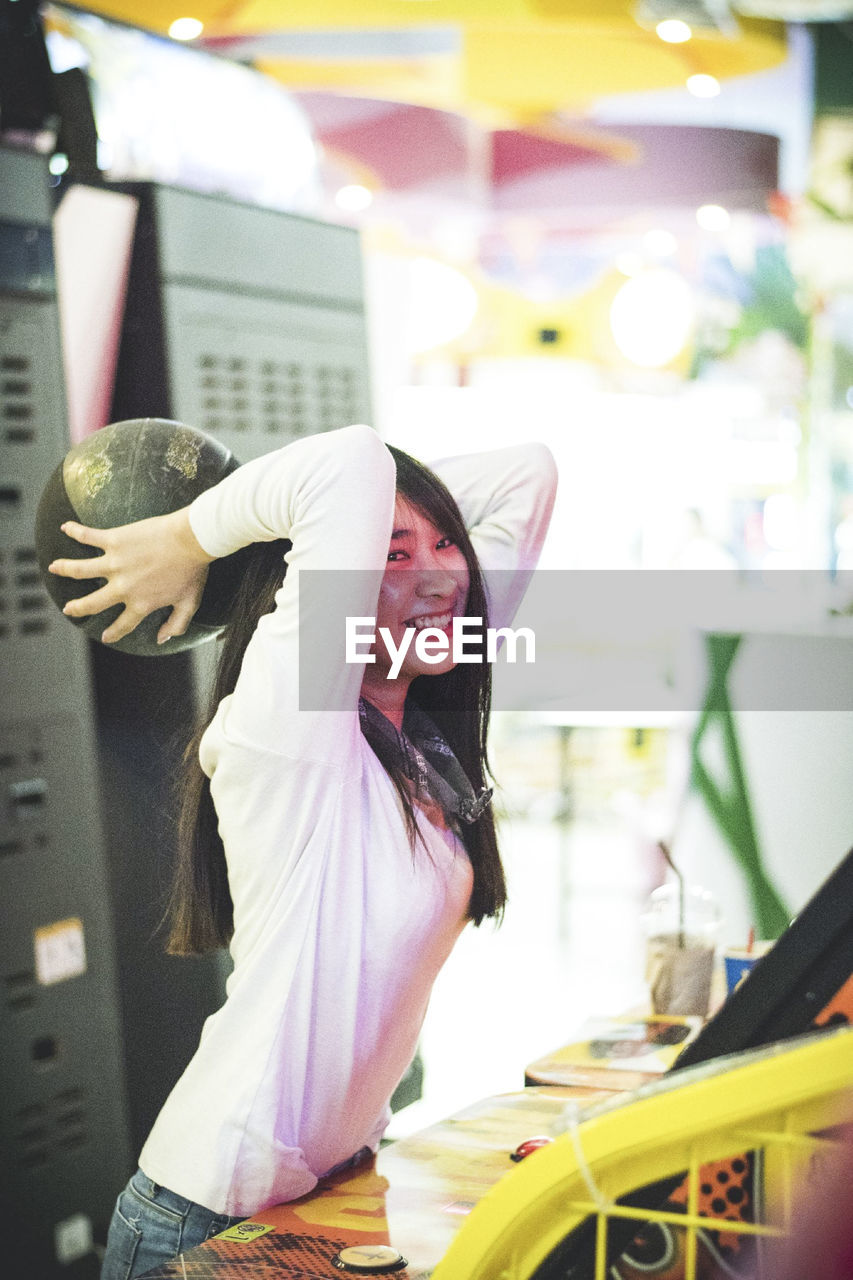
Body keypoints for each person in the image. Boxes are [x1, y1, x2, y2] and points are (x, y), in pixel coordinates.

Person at [49, 423, 557, 1279]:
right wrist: (191, 537)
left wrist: (401, 529)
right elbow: (346, 463)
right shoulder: (293, 733)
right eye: (389, 554)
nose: (442, 574)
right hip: (209, 1218)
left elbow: (527, 472)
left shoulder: (415, 733)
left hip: (325, 1194)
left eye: (445, 545)